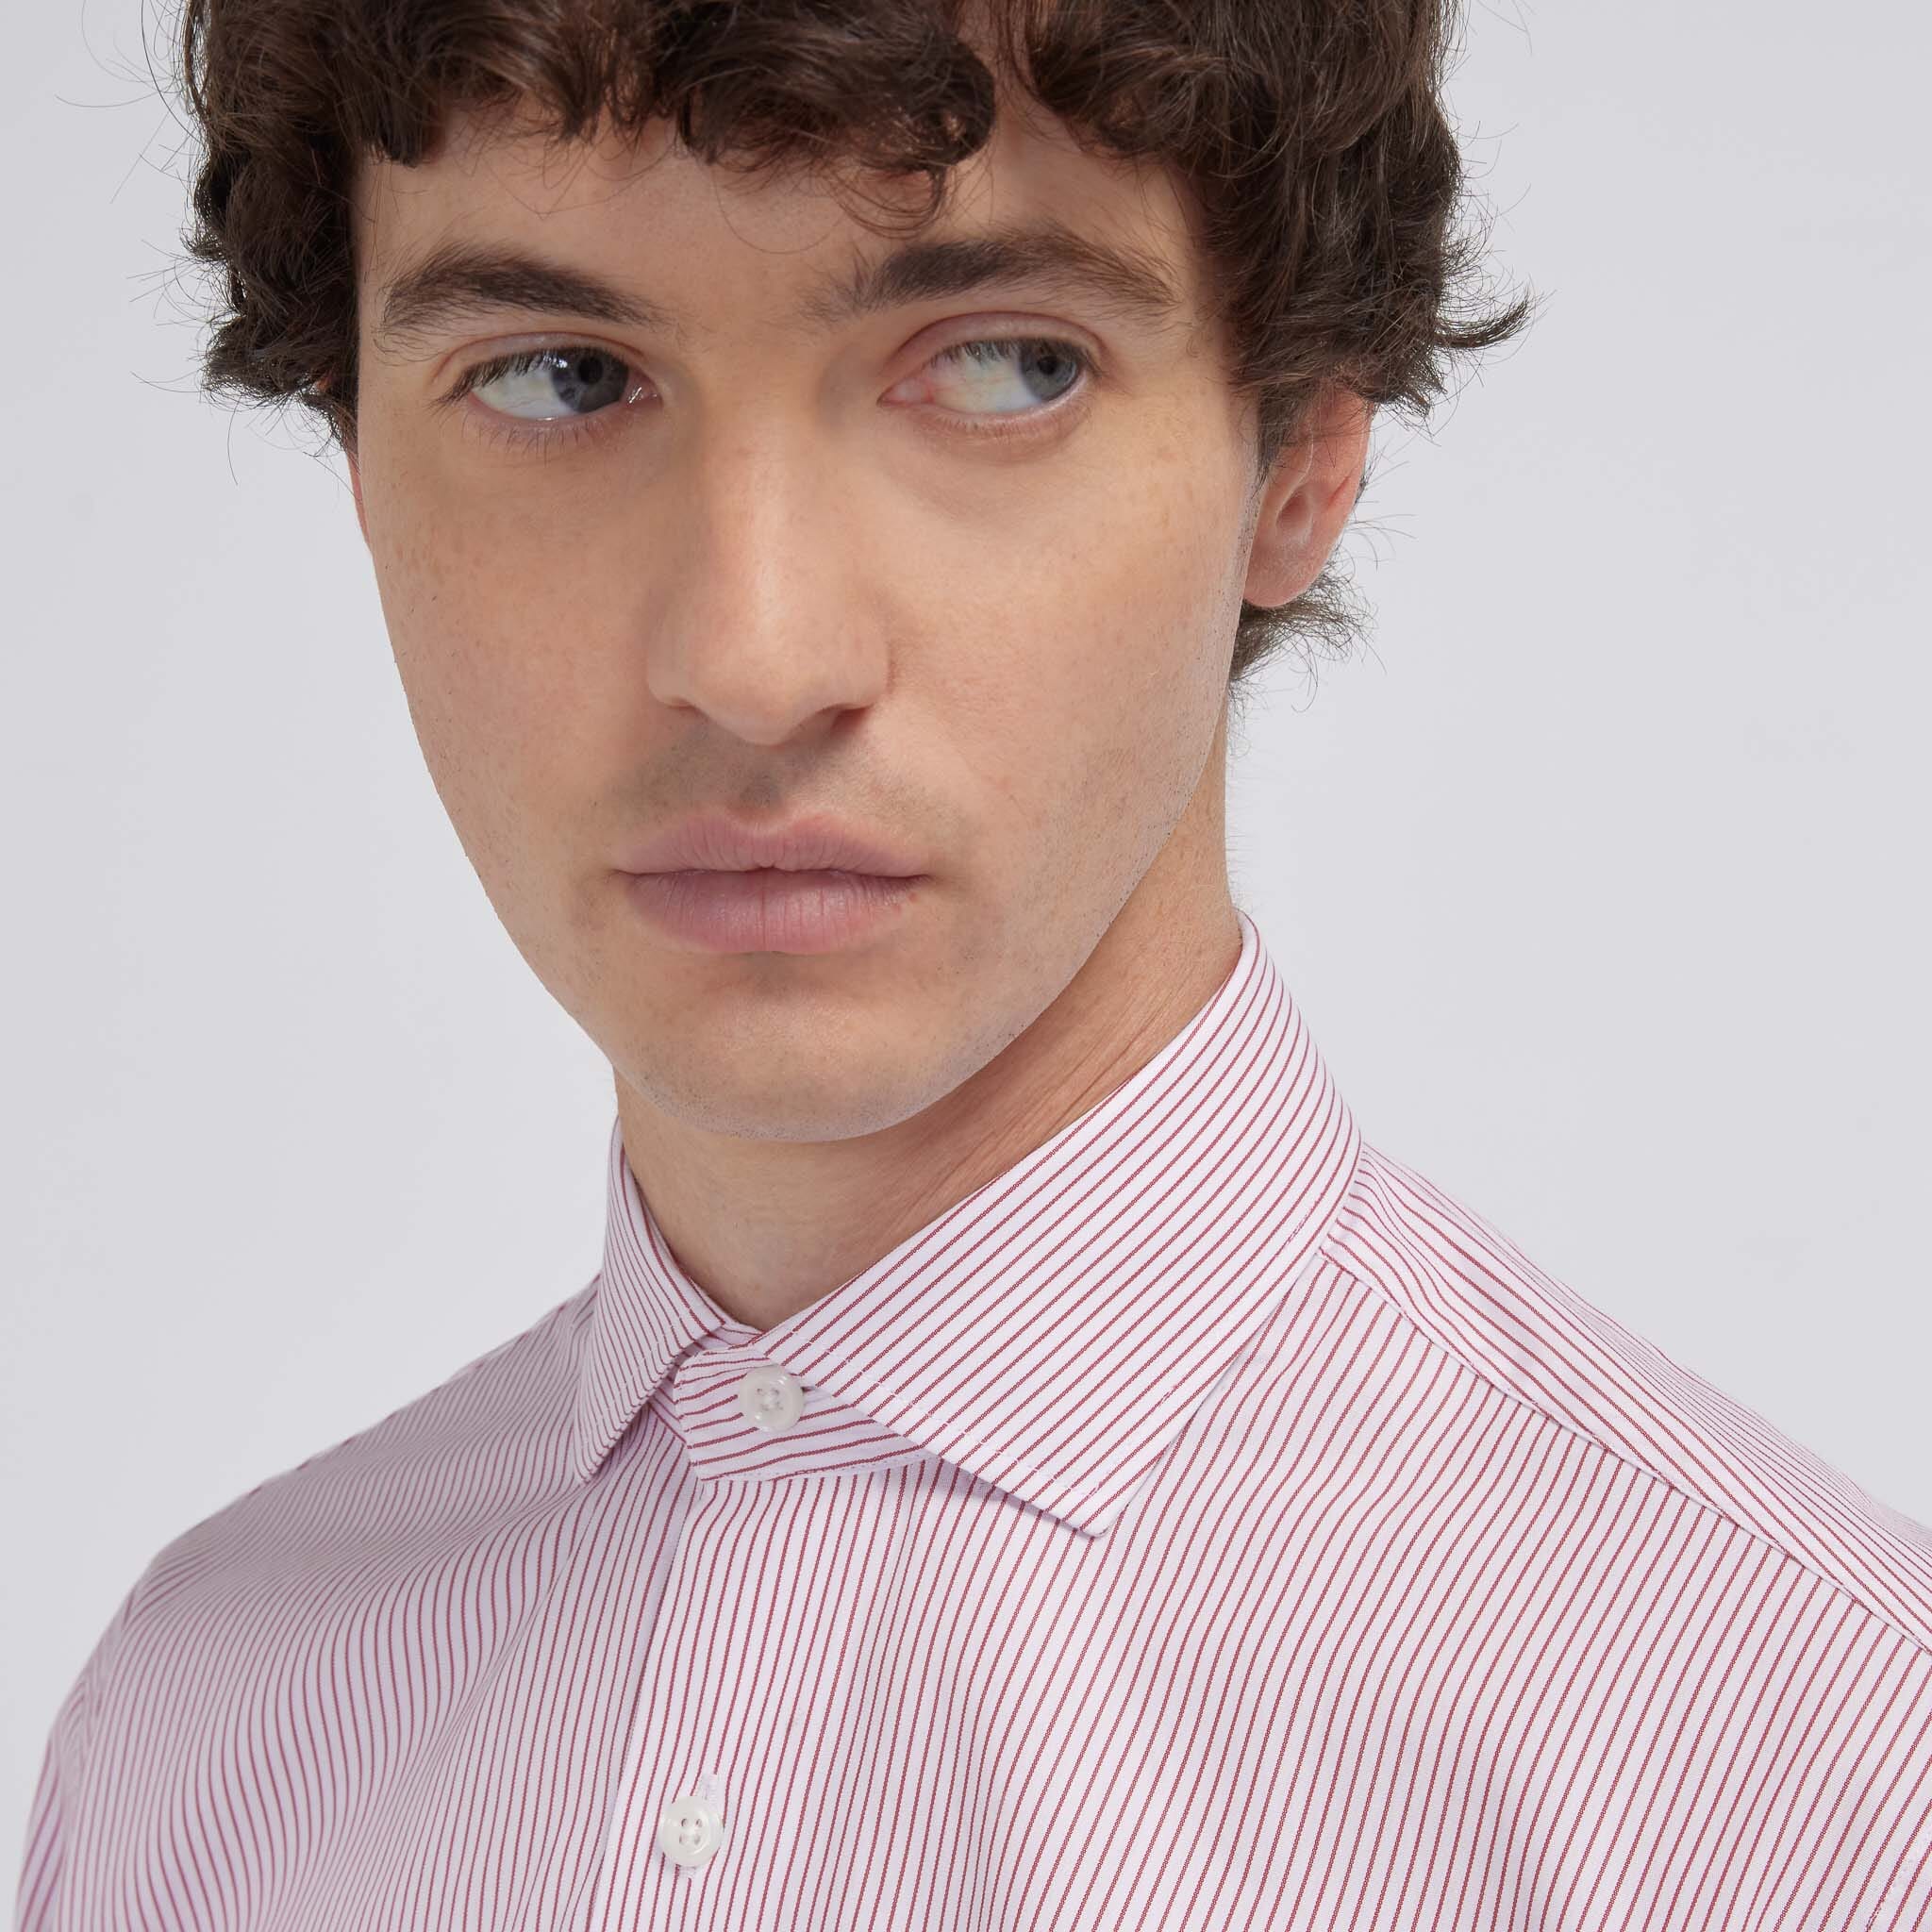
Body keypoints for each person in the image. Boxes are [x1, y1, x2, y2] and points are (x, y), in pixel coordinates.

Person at [16, 1, 1932, 1926]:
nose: (756, 659)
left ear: (1303, 452)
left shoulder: (1815, 1783)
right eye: (560, 376)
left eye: (1005, 365)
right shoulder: (195, 1745)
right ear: (359, 461)